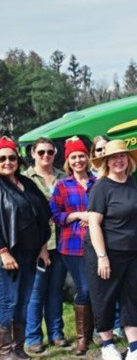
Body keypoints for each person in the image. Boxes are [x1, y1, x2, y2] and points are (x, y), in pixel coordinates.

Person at [85, 140, 137, 360]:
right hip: (109, 253)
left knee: (131, 297)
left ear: (129, 160)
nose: (118, 160)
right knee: (104, 298)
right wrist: (102, 256)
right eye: (113, 157)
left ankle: (135, 349)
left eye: (122, 156)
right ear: (106, 161)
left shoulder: (131, 183)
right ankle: (107, 345)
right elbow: (94, 223)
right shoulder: (101, 186)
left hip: (135, 252)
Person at [0, 137, 51, 360]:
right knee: (8, 302)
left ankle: (18, 349)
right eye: (2, 158)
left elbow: (42, 215)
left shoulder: (26, 183)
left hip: (31, 255)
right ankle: (4, 351)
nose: (7, 161)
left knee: (23, 302)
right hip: (8, 256)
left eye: (11, 157)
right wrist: (3, 251)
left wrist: (42, 247)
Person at [50, 137, 97, 355]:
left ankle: (98, 331)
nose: (78, 160)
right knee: (84, 289)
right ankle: (82, 338)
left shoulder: (97, 183)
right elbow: (56, 214)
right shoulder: (62, 186)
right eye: (74, 157)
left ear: (88, 158)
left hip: (98, 243)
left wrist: (95, 218)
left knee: (98, 289)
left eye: (81, 156)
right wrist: (77, 215)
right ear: (68, 161)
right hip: (73, 245)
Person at [22, 138, 67, 354]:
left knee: (56, 291)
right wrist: (39, 244)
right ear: (33, 153)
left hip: (62, 242)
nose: (45, 156)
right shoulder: (24, 179)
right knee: (36, 292)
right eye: (41, 152)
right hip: (37, 244)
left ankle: (57, 333)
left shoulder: (63, 176)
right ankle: (33, 337)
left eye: (49, 152)